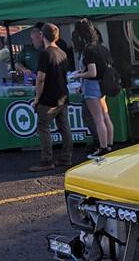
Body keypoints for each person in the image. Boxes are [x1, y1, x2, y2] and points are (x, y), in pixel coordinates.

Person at [29, 23, 72, 172]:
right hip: (63, 95)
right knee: (64, 127)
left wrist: (36, 99)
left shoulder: (45, 53)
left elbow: (41, 78)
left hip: (49, 97)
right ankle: (66, 157)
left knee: (43, 127)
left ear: (42, 35)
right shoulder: (62, 53)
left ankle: (47, 160)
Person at [71, 18, 114, 159]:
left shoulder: (88, 50)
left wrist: (79, 75)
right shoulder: (102, 48)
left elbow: (92, 72)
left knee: (98, 119)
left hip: (92, 86)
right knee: (105, 116)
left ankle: (103, 147)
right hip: (103, 85)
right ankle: (109, 144)